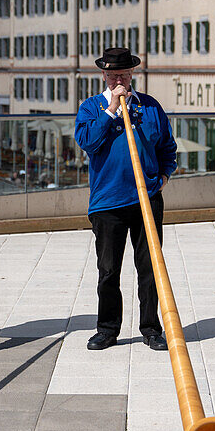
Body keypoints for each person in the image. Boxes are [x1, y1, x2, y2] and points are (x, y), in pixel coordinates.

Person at [75, 47, 177, 351]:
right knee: (108, 270)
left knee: (150, 267)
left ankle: (150, 327)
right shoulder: (91, 108)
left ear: (132, 74)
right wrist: (111, 113)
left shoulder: (149, 106)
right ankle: (107, 329)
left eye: (123, 73)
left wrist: (163, 177)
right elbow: (88, 142)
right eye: (112, 74)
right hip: (108, 203)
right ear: (104, 76)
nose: (117, 79)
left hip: (147, 198)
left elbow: (168, 148)